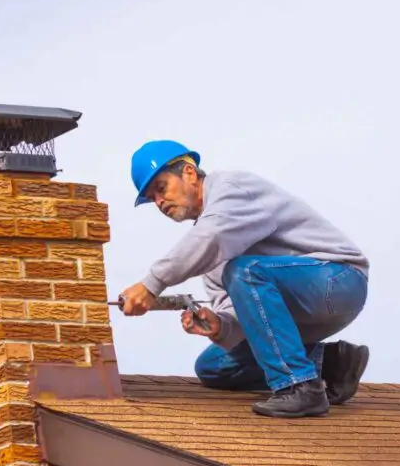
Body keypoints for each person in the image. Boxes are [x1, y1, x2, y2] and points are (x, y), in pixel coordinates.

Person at [118, 139, 371, 418]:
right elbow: (242, 315)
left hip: (339, 280)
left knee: (245, 271)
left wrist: (151, 284)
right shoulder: (211, 251)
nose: (159, 201)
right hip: (301, 308)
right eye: (152, 198)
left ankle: (299, 387)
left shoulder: (231, 189)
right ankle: (333, 363)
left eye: (161, 188)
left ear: (189, 172)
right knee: (215, 366)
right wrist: (220, 326)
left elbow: (212, 236)